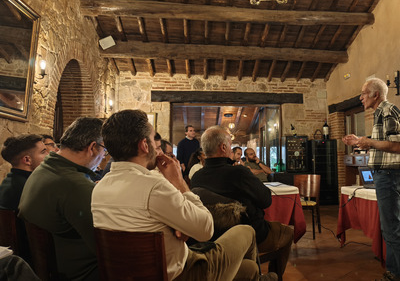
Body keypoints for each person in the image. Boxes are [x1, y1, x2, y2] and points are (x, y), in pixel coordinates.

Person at [93, 109, 271, 281]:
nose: (158, 148)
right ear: (144, 145)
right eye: (154, 140)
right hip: (183, 273)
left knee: (250, 269)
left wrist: (175, 228)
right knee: (246, 230)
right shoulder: (155, 186)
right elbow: (206, 230)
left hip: (127, 275)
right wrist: (178, 181)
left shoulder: (98, 190)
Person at [191, 126, 293, 275]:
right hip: (251, 234)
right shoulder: (239, 172)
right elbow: (266, 201)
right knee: (288, 232)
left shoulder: (196, 177)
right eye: (230, 146)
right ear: (223, 147)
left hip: (214, 237)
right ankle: (274, 276)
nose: (232, 150)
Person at [342, 78, 400, 281]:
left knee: (392, 229)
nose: (360, 97)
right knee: (389, 229)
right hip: (385, 175)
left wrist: (369, 142)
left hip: (389, 175)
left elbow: (396, 145)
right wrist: (360, 141)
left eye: (364, 93)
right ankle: (393, 274)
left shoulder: (387, 111)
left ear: (376, 94)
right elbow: (382, 142)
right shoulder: (380, 114)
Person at [19, 117, 105, 281]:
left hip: (50, 267)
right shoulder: (75, 185)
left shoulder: (44, 169)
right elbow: (105, 246)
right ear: (93, 147)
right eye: (104, 150)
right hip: (83, 273)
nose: (103, 156)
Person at [0, 135, 48, 210]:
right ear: (27, 160)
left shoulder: (7, 181)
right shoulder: (29, 188)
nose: (48, 155)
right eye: (43, 152)